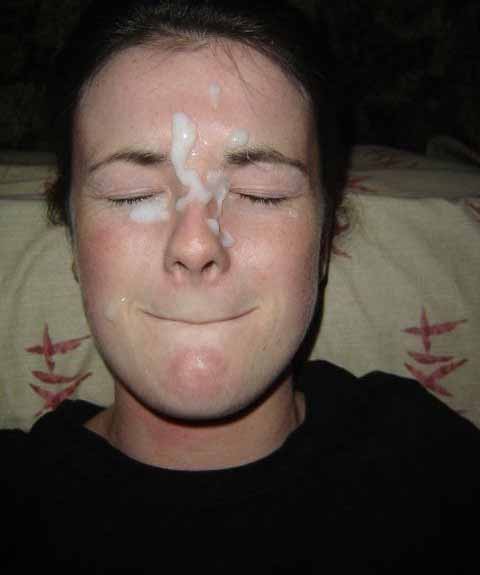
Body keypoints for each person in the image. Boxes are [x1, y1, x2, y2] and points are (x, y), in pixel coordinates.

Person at [2, 1, 479, 572]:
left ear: (326, 237)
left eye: (262, 195)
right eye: (131, 194)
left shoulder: (431, 470)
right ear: (74, 240)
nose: (195, 245)